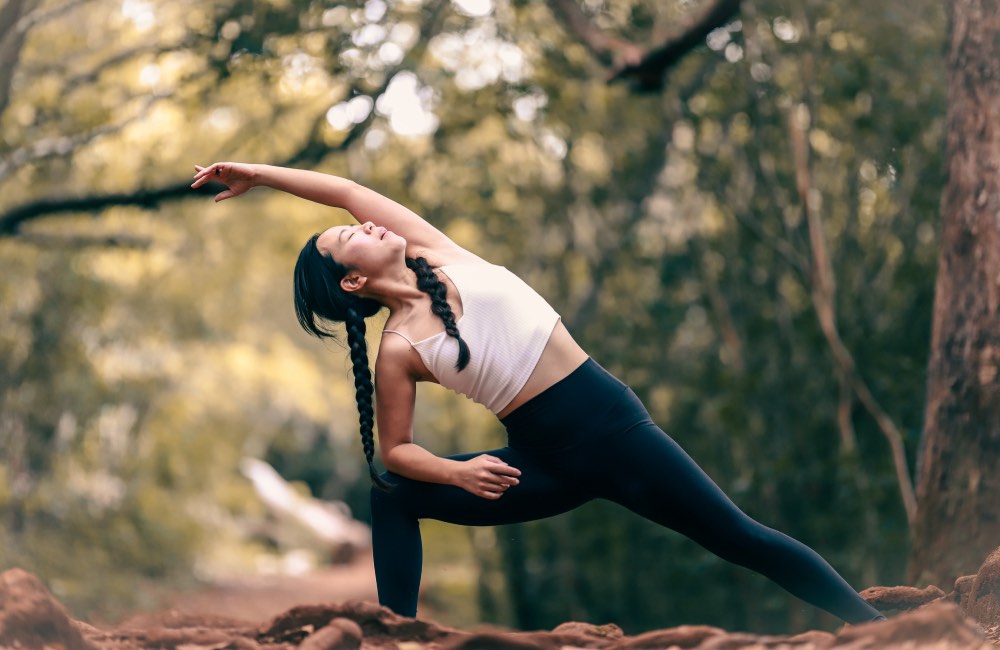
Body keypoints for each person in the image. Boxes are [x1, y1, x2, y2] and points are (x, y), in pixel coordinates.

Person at [191, 162, 886, 625]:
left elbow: (341, 189)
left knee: (740, 537)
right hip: (543, 465)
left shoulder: (436, 251)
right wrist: (458, 470)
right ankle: (393, 636)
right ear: (351, 282)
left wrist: (257, 173)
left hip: (616, 431)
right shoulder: (399, 348)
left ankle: (886, 632)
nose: (366, 222)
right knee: (390, 496)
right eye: (351, 238)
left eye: (359, 223)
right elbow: (397, 452)